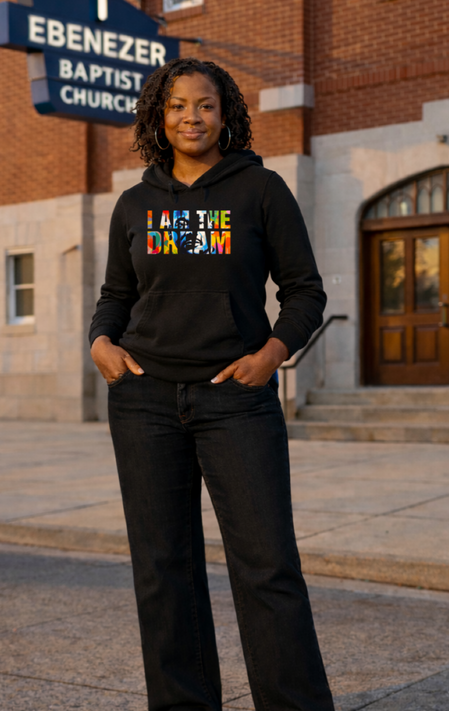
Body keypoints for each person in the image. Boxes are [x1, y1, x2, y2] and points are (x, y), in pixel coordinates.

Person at [89, 57, 334, 711]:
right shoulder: (134, 203)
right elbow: (116, 294)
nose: (190, 117)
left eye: (203, 104)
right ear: (157, 116)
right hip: (143, 400)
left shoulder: (260, 190)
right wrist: (99, 343)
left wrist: (272, 353)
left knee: (266, 565)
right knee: (163, 566)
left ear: (225, 113)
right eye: (176, 105)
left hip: (236, 398)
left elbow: (305, 292)